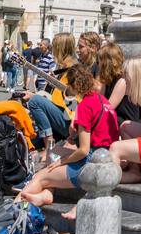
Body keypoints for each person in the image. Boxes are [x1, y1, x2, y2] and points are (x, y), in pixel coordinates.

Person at [18, 64, 119, 210]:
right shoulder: (103, 100)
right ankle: (46, 194)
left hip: (91, 163)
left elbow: (84, 150)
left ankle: (15, 210)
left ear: (73, 85)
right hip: (106, 154)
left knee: (40, 176)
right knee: (55, 152)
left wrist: (61, 162)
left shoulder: (85, 106)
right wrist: (74, 135)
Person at [25, 33, 77, 163]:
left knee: (35, 102)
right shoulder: (61, 69)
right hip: (63, 116)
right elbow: (56, 99)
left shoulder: (73, 70)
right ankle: (46, 146)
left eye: (55, 47)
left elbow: (74, 103)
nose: (52, 50)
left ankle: (49, 146)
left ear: (60, 48)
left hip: (70, 121)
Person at [98, 42, 141, 131]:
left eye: (99, 60)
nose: (98, 63)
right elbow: (99, 101)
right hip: (113, 117)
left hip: (124, 121)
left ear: (105, 63)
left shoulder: (122, 80)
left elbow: (108, 108)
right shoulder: (108, 79)